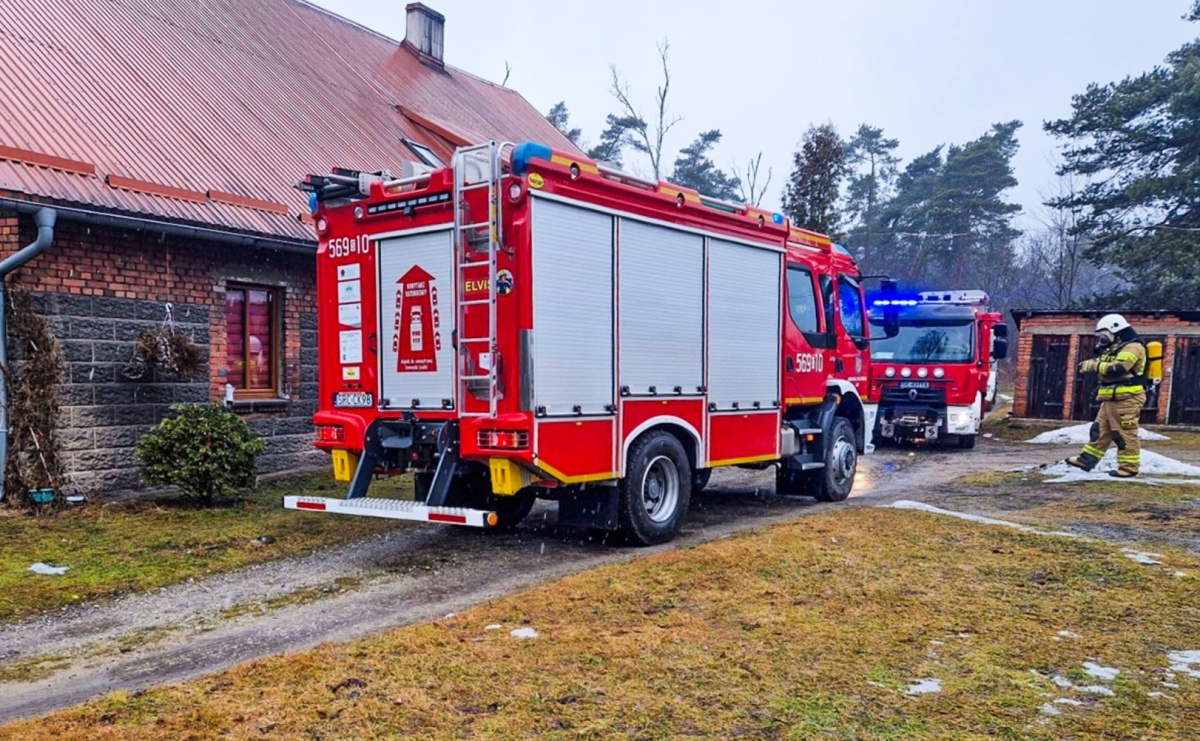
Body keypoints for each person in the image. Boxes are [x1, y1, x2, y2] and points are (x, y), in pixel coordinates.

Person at [1066, 314, 1148, 478]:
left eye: (1105, 336)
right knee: (1099, 431)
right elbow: (1107, 364)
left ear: (1116, 331)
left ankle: (1128, 468)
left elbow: (1118, 369)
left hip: (1127, 398)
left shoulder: (1133, 347)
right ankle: (1086, 460)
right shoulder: (1116, 347)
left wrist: (1093, 365)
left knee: (1124, 433)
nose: (1102, 340)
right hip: (1112, 397)